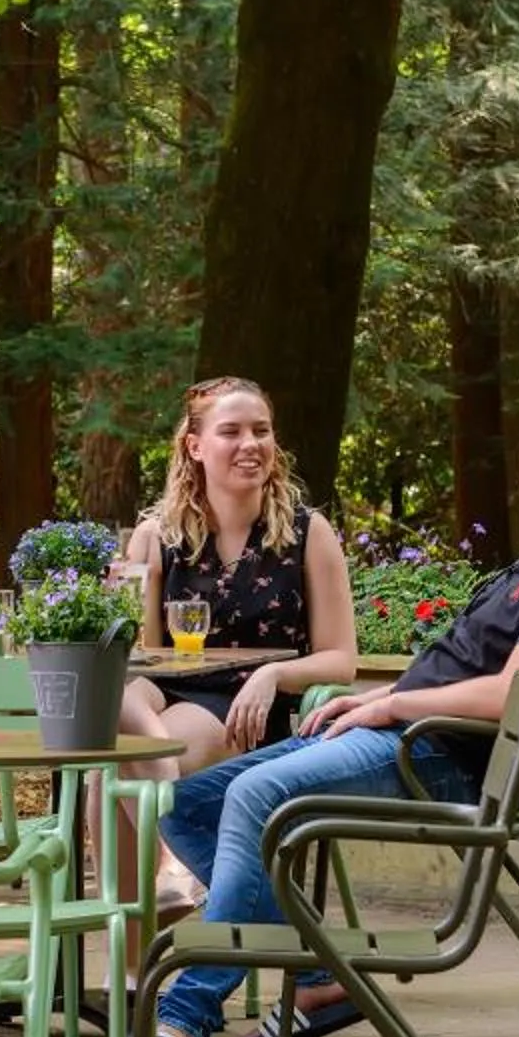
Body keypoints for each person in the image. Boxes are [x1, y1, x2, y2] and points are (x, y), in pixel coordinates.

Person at [149, 391, 519, 1037]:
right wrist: (381, 697)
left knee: (258, 794)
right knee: (181, 804)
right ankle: (325, 974)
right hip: (416, 733)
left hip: (442, 755)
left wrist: (395, 708)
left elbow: (513, 694)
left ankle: (187, 1012)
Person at [112, 377, 357, 912]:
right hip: (166, 690)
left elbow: (342, 656)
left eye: (261, 431)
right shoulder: (156, 535)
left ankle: (134, 953)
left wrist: (274, 675)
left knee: (112, 768)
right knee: (120, 708)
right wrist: (129, 594)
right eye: (232, 432)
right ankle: (171, 866)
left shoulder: (306, 533)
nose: (251, 444)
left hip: (247, 706)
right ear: (195, 447)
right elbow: (146, 658)